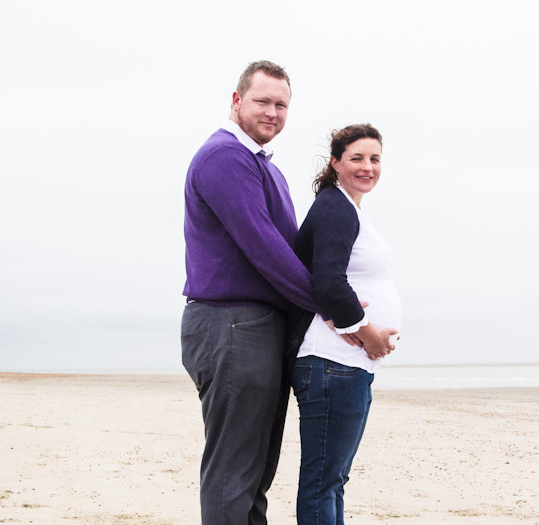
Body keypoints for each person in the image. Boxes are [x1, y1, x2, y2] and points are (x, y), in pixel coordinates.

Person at [181, 61, 394, 525]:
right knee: (234, 470)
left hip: (259, 327)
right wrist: (338, 311)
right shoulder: (225, 157)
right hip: (231, 323)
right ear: (236, 101)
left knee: (257, 470)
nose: (273, 112)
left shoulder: (263, 168)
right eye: (262, 101)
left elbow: (291, 252)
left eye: (282, 105)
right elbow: (265, 250)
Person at [290, 124, 401, 525]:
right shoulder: (334, 206)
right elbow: (328, 281)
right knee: (323, 481)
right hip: (330, 361)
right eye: (356, 158)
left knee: (333, 479)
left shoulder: (348, 208)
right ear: (335, 162)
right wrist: (369, 333)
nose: (367, 167)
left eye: (374, 159)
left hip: (344, 364)